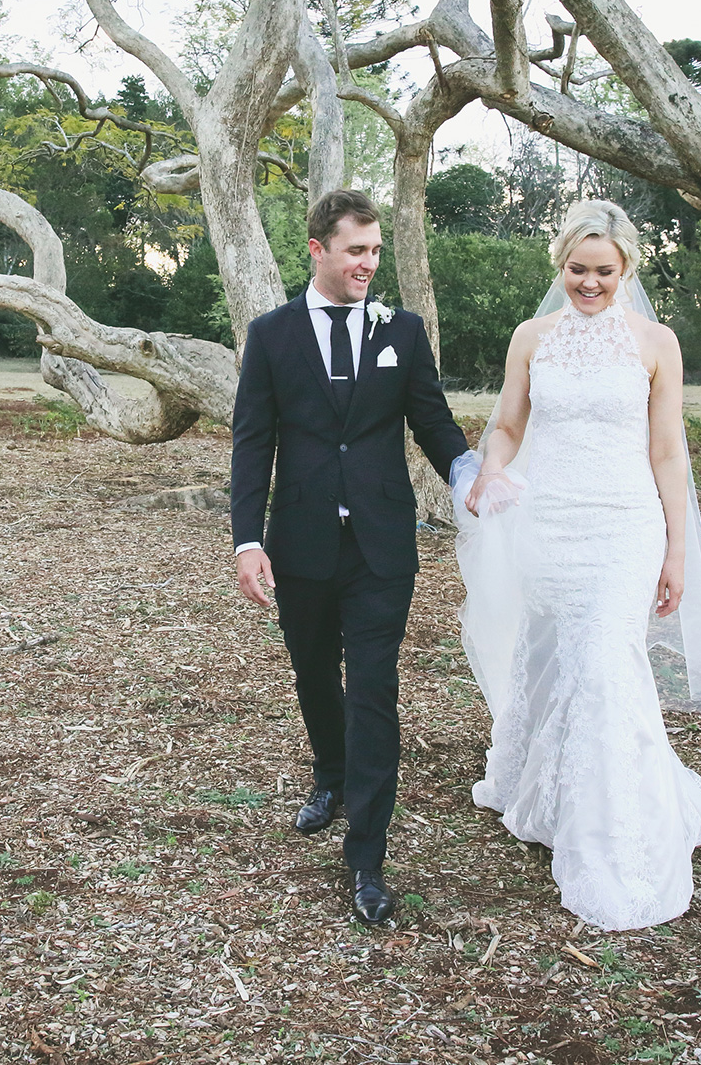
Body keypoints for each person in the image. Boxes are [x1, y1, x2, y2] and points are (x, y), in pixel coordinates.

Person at [460, 199, 701, 931]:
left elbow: (667, 451)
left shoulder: (657, 344)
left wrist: (676, 549)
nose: (590, 283)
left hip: (625, 526)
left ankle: (614, 838)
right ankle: (547, 788)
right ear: (561, 265)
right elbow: (508, 426)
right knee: (555, 655)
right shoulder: (532, 337)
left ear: (627, 270)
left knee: (605, 663)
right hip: (549, 523)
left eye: (604, 272)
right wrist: (491, 471)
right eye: (578, 270)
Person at [230, 189, 472, 925]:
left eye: (374, 250)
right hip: (300, 539)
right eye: (356, 250)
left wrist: (469, 476)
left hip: (380, 543)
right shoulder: (271, 335)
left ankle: (366, 856)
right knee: (312, 670)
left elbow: (429, 414)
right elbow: (253, 441)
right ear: (319, 251)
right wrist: (247, 540)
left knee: (373, 687)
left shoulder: (403, 328)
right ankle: (329, 775)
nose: (369, 263)